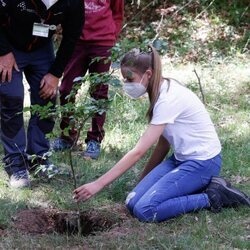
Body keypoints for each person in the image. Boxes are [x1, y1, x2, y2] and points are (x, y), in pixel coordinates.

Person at [73, 46, 250, 222]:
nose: (126, 84)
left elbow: (138, 151)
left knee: (145, 210)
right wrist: (142, 184)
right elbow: (163, 145)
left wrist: (98, 184)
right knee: (132, 202)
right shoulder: (159, 90)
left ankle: (214, 196)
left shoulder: (167, 99)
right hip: (180, 160)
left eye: (129, 78)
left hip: (203, 163)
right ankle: (192, 187)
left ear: (148, 74)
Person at [0, 0, 84, 188]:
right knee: (11, 97)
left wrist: (55, 73)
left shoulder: (74, 2)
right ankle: (16, 162)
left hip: (41, 49)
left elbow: (72, 37)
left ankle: (39, 158)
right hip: (9, 45)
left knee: (47, 99)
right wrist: (3, 51)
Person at [52, 0, 124, 159]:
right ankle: (67, 137)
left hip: (102, 43)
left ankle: (95, 140)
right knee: (66, 90)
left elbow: (118, 14)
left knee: (99, 93)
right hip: (76, 42)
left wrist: (112, 35)